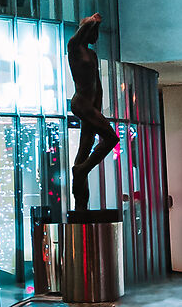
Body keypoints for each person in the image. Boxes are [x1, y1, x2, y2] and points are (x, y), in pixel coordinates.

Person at [65, 11, 118, 213]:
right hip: (81, 104)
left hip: (92, 106)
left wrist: (99, 108)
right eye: (92, 30)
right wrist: (91, 21)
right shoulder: (74, 47)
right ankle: (81, 170)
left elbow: (98, 85)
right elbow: (80, 32)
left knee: (83, 151)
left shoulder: (93, 55)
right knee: (112, 138)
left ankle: (81, 207)